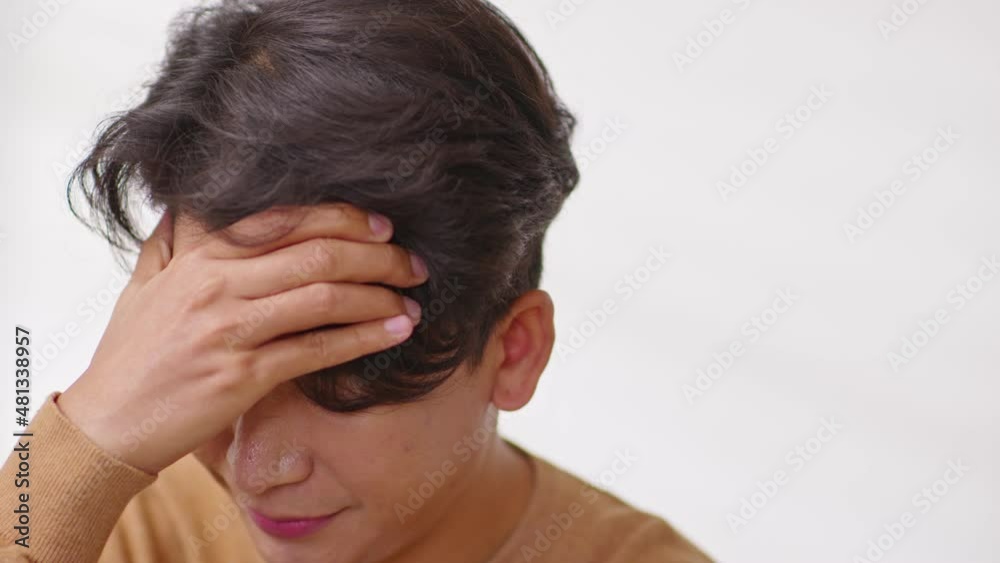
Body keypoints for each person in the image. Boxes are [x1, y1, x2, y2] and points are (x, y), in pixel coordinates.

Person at [0, 0, 713, 561]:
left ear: (514, 351)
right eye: (220, 355)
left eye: (340, 387)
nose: (256, 471)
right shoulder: (118, 512)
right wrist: (82, 442)